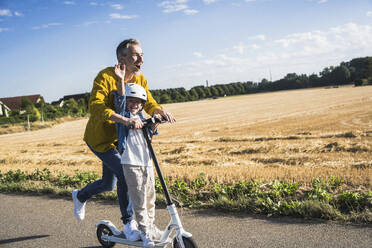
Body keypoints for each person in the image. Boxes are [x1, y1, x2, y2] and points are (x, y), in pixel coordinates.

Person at [72, 39, 175, 241]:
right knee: (125, 173)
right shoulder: (105, 77)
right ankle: (129, 223)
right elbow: (96, 107)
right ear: (122, 58)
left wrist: (159, 111)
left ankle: (80, 196)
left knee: (108, 183)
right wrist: (124, 120)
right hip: (102, 139)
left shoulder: (139, 78)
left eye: (142, 55)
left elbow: (149, 102)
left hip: (124, 141)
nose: (141, 60)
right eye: (136, 56)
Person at [114, 82, 160, 247]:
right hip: (131, 163)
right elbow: (119, 103)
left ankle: (151, 226)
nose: (134, 105)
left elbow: (152, 132)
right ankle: (144, 232)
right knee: (139, 199)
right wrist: (120, 82)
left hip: (146, 162)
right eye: (130, 101)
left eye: (138, 102)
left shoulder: (142, 117)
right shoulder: (123, 117)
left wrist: (155, 123)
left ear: (142, 104)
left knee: (150, 197)